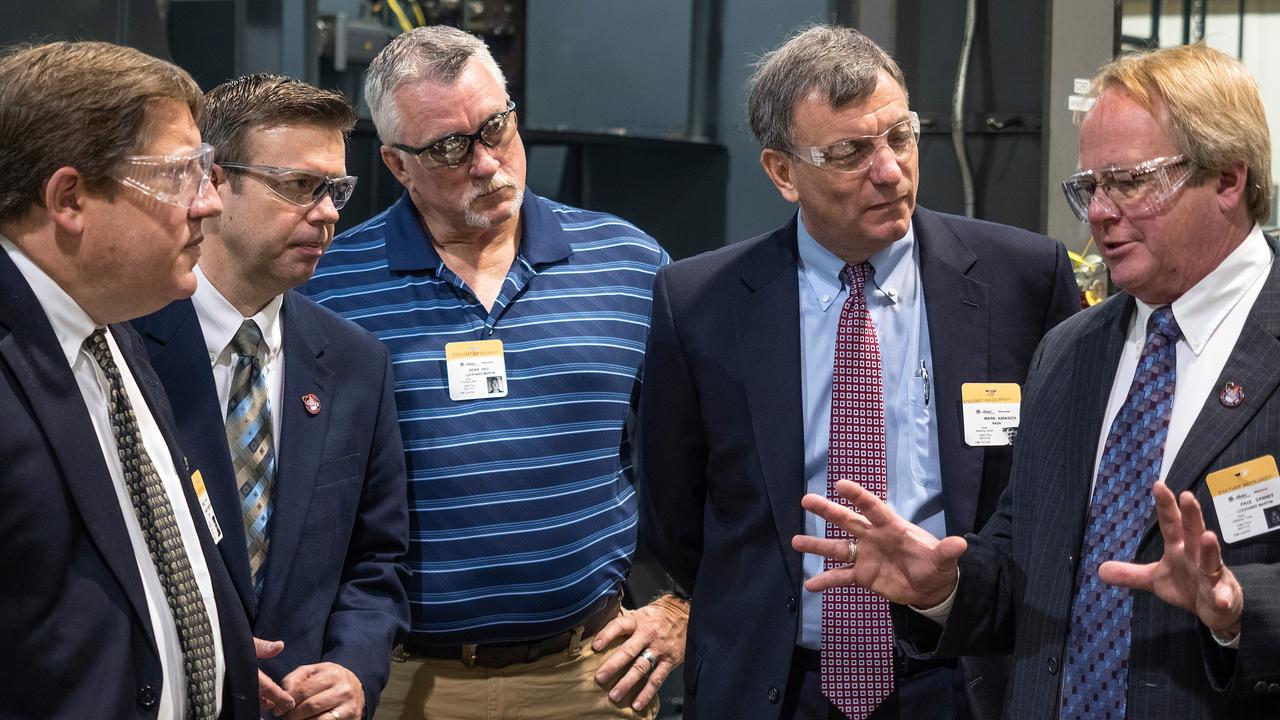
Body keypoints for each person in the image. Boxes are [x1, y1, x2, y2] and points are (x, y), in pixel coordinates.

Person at [795, 43, 1280, 719]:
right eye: (1089, 188)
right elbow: (1025, 564)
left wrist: (1239, 610)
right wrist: (944, 585)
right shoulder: (1071, 350)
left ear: (1228, 179)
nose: (1101, 214)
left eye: (1130, 182)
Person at [637, 24, 1077, 720]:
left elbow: (1059, 486)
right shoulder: (698, 304)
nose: (890, 170)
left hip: (963, 676)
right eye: (850, 152)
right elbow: (674, 516)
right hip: (777, 685)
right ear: (783, 172)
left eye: (900, 136)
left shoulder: (1023, 278)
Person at [301, 26, 686, 720]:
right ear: (395, 163)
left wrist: (686, 604)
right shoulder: (329, 285)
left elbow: (720, 453)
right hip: (400, 681)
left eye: (496, 128)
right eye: (449, 148)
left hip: (591, 678)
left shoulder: (630, 264)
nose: (486, 163)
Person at [132, 73, 411, 720]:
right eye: (298, 187)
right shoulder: (121, 344)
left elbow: (378, 560)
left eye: (335, 189)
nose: (329, 212)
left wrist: (353, 668)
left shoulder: (355, 364)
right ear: (214, 182)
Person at [0, 40, 257, 718]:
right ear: (70, 198)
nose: (209, 205)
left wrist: (206, 645)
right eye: (180, 177)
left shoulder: (116, 323)